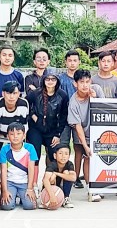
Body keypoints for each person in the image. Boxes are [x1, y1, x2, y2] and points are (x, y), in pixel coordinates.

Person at [68, 69, 103, 197]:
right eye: (81, 82)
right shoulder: (73, 103)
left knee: (93, 159)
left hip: (98, 131)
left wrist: (95, 100)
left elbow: (106, 108)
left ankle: (97, 186)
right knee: (86, 155)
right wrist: (85, 145)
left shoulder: (97, 90)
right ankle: (90, 189)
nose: (85, 85)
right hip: (82, 132)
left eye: (87, 82)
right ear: (75, 84)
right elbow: (78, 127)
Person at [28, 73, 71, 156]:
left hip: (53, 129)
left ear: (57, 81)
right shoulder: (35, 93)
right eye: (48, 79)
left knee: (53, 154)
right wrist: (34, 117)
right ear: (44, 81)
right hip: (36, 127)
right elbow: (26, 105)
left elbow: (63, 116)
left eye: (53, 79)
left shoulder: (63, 95)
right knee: (34, 154)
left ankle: (50, 169)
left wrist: (58, 134)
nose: (50, 81)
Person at [0, 122, 39, 210]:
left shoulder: (30, 148)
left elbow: (31, 169)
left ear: (24, 135)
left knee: (30, 206)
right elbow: (3, 171)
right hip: (10, 182)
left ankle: (22, 196)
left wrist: (30, 188)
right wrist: (5, 191)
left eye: (18, 133)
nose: (15, 136)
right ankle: (14, 194)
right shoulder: (4, 149)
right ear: (8, 137)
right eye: (12, 134)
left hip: (24, 182)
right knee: (6, 206)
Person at [0, 81, 30, 146]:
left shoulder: (24, 104)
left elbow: (24, 126)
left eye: (14, 93)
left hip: (16, 136)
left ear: (19, 94)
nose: (11, 97)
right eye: (8, 93)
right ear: (3, 94)